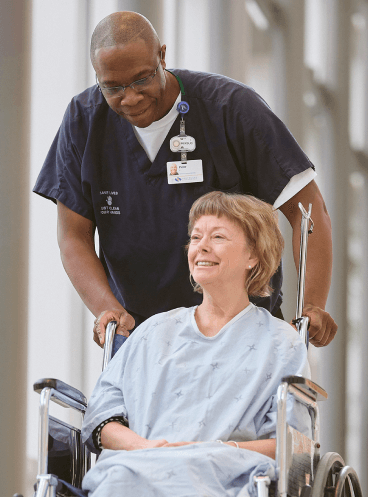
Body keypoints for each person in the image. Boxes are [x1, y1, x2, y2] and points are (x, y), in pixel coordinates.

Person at [33, 11, 337, 348]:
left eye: (142, 79)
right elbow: (72, 237)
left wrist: (312, 305)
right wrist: (107, 309)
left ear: (162, 56)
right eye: (113, 87)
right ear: (97, 77)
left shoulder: (231, 109)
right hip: (139, 336)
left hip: (240, 332)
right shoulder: (84, 121)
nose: (130, 97)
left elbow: (309, 211)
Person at [81, 192, 311, 496]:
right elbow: (101, 417)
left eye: (218, 237)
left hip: (227, 475)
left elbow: (296, 445)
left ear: (253, 255)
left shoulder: (282, 344)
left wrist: (214, 450)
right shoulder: (153, 331)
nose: (201, 246)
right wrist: (148, 449)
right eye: (196, 237)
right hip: (136, 469)